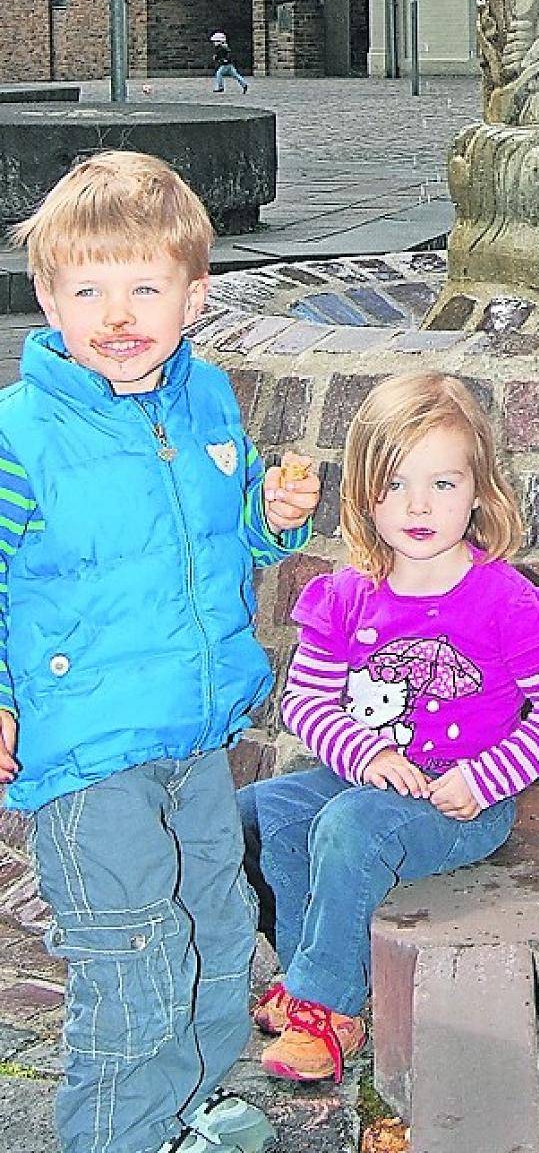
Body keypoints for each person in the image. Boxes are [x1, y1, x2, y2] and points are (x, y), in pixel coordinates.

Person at [0, 150, 321, 1153]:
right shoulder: (22, 434)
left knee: (218, 934)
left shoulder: (207, 400)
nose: (118, 312)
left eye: (145, 284)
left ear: (195, 294)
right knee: (133, 960)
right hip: (89, 754)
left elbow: (219, 536)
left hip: (193, 734)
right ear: (46, 294)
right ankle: (121, 1133)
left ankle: (181, 1110)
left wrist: (271, 518)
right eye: (87, 287)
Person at [237, 372, 539, 1085]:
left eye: (442, 484)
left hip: (460, 805)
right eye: (395, 485)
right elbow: (306, 703)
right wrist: (364, 752)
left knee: (350, 826)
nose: (418, 505)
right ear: (366, 496)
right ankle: (314, 963)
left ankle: (326, 1005)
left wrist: (483, 778)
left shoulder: (505, 601)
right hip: (360, 778)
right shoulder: (346, 594)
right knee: (254, 814)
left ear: (479, 492)